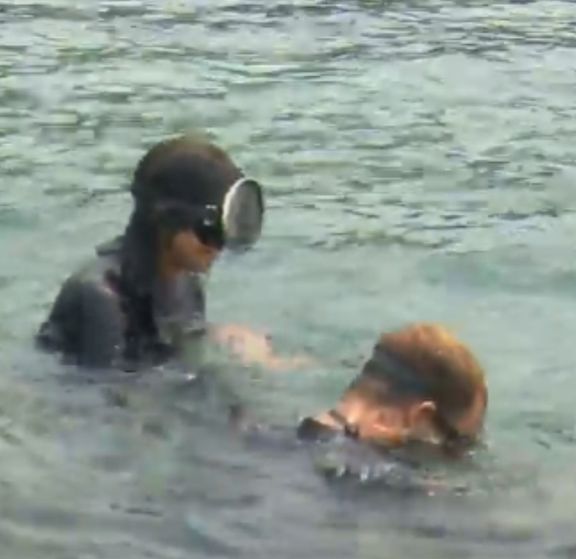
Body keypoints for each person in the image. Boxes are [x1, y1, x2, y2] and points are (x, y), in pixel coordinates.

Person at [35, 134, 286, 371]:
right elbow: (105, 402)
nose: (217, 247)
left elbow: (173, 358)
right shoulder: (100, 296)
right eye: (209, 231)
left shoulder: (186, 281)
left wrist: (220, 339)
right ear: (164, 220)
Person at [237, 323, 490, 486]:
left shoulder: (254, 433)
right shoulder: (377, 490)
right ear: (416, 418)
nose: (457, 459)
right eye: (455, 444)